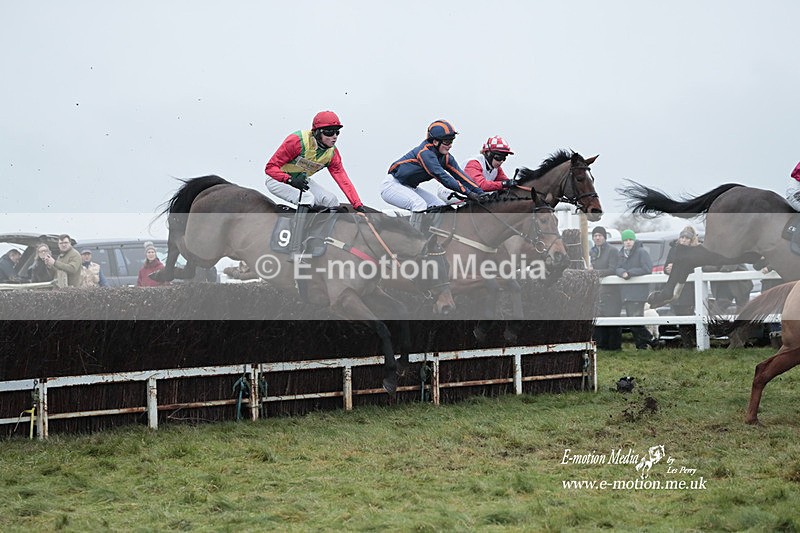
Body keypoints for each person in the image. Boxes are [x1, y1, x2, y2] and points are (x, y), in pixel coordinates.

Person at [265, 111, 365, 261]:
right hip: (277, 179)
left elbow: (343, 179)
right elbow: (270, 168)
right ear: (317, 132)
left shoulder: (332, 154)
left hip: (301, 181)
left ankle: (321, 245)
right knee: (307, 198)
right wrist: (289, 180)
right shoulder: (296, 141)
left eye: (337, 132)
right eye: (329, 132)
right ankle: (295, 249)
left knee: (331, 200)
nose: (334, 137)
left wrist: (357, 204)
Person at [382, 120, 491, 230]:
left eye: (452, 141)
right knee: (419, 205)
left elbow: (461, 176)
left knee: (441, 207)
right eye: (447, 142)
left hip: (410, 188)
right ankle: (413, 241)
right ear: (435, 142)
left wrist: (480, 193)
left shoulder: (446, 157)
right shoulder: (425, 153)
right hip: (392, 186)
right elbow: (443, 177)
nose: (450, 146)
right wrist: (468, 193)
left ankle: (431, 239)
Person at [616, 229, 661, 350]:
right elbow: (617, 268)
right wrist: (622, 273)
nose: (628, 242)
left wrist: (630, 273)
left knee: (635, 320)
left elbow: (647, 268)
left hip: (638, 292)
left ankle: (652, 340)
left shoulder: (641, 252)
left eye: (630, 239)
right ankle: (641, 346)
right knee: (633, 321)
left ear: (634, 240)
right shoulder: (621, 254)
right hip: (626, 293)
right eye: (625, 240)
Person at [437, 135, 516, 203]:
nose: (501, 161)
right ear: (488, 153)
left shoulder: (496, 169)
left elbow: (506, 182)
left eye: (504, 158)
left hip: (470, 192)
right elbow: (480, 185)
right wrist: (504, 184)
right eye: (499, 157)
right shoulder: (474, 163)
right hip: (449, 191)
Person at [664, 226, 700, 347]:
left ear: (691, 240)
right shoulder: (673, 250)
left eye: (686, 238)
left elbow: (695, 267)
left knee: (689, 315)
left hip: (688, 289)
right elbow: (666, 266)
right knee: (679, 315)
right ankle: (687, 344)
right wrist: (667, 269)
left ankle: (695, 341)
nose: (683, 240)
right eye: (682, 237)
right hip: (675, 288)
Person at [588, 226, 622, 350]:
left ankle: (614, 347)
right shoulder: (592, 251)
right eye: (595, 235)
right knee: (599, 319)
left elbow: (612, 269)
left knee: (612, 318)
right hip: (597, 291)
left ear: (604, 237)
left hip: (611, 291)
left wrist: (595, 273)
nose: (597, 238)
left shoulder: (612, 251)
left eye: (600, 235)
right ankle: (600, 346)